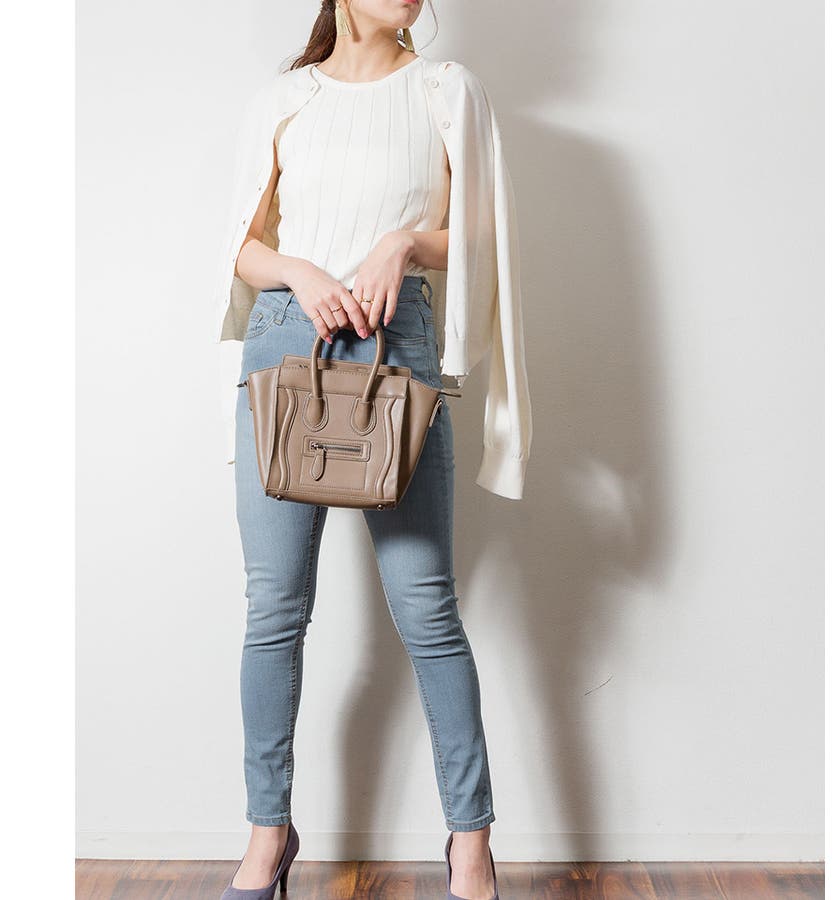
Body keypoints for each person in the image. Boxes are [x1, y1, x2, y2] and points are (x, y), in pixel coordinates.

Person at [213, 2, 532, 898]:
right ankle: (266, 835)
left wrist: (404, 242)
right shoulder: (285, 99)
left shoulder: (446, 92)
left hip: (397, 346)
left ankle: (471, 843)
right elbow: (241, 247)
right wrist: (300, 270)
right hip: (287, 344)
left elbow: (484, 229)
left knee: (427, 608)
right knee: (274, 609)